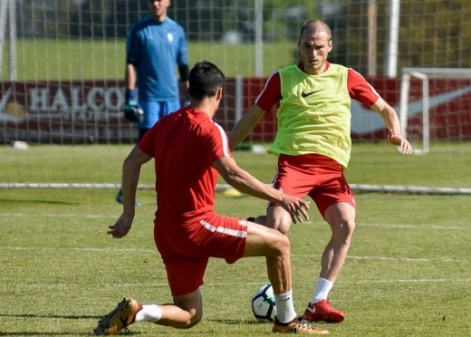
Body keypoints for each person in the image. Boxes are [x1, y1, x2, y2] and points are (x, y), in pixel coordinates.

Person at [93, 61, 328, 335]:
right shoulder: (210, 129)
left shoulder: (165, 124)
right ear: (219, 94)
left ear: (189, 89)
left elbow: (131, 162)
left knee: (190, 313)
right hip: (198, 227)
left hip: (166, 233)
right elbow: (234, 176)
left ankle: (138, 312)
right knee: (279, 243)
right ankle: (287, 321)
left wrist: (128, 213)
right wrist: (282, 197)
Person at [228, 20, 413, 324]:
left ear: (329, 46)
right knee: (277, 228)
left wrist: (395, 131)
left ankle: (318, 301)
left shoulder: (346, 76)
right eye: (306, 46)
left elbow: (386, 109)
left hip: (332, 171)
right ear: (298, 46)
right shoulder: (282, 78)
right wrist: (224, 151)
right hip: (294, 165)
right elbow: (252, 116)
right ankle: (245, 231)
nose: (313, 53)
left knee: (345, 225)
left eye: (318, 47)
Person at [116, 0, 189, 206]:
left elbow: (183, 66)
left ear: (168, 2)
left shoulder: (177, 30)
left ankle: (172, 192)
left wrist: (190, 95)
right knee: (145, 146)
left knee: (174, 147)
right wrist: (130, 97)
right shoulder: (139, 30)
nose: (155, 4)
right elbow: (131, 64)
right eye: (151, 0)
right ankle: (125, 191)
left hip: (172, 99)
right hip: (148, 99)